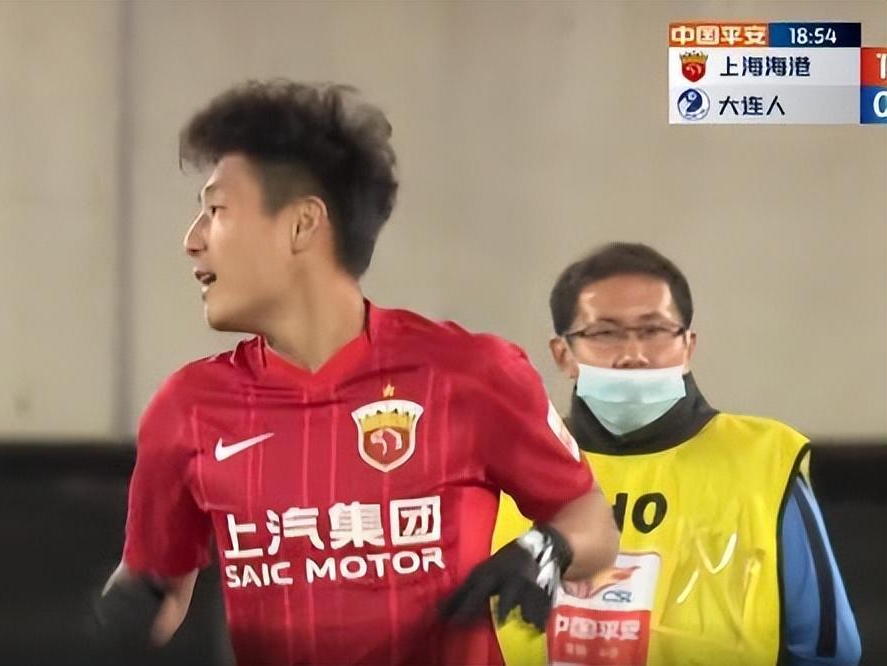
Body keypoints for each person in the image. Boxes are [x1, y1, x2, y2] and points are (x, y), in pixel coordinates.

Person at [92, 79, 619, 665]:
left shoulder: (472, 374)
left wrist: (549, 548)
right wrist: (123, 615)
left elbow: (592, 522)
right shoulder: (187, 407)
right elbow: (157, 585)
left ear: (302, 224)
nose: (192, 241)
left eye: (215, 212)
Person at [491, 242, 861, 666]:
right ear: (563, 354)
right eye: (605, 333)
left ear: (687, 345)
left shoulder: (765, 461)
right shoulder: (507, 470)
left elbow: (828, 651)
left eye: (654, 330)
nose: (633, 355)